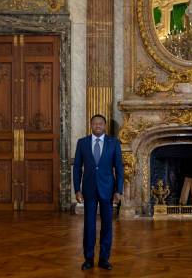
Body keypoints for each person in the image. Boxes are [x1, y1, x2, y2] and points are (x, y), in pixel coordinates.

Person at [73, 114, 124, 271]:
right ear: (91, 125)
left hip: (107, 189)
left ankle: (104, 259)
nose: (98, 126)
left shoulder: (113, 143)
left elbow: (119, 168)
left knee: (107, 225)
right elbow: (76, 168)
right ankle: (88, 259)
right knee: (89, 225)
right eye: (95, 123)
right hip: (88, 190)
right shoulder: (82, 143)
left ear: (105, 125)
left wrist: (119, 190)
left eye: (100, 123)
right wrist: (77, 189)